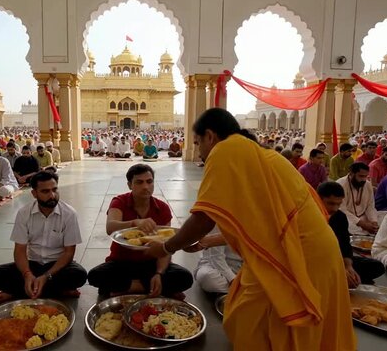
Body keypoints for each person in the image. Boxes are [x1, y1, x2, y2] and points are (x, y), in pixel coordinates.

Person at [144, 108, 356, 350]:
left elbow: (203, 219)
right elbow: (257, 222)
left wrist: (165, 247)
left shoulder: (226, 150)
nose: (200, 151)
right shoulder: (260, 154)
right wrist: (203, 241)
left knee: (249, 318)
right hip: (315, 249)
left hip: (300, 253)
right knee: (252, 313)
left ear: (210, 136)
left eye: (197, 142)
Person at [88, 164, 194, 298]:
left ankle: (129, 288)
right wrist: (134, 223)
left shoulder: (162, 208)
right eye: (139, 182)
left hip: (151, 264)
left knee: (185, 278)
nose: (145, 187)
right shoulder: (119, 201)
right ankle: (150, 288)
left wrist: (159, 273)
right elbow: (110, 227)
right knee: (95, 276)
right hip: (122, 263)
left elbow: (166, 246)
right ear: (129, 184)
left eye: (149, 182)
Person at [0, 171, 87, 300]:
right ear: (34, 194)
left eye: (55, 190)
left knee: (79, 275)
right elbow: (20, 250)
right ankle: (58, 291)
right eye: (45, 191)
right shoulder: (24, 213)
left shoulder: (69, 214)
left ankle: (19, 292)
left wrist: (46, 276)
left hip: (57, 267)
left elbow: (68, 253)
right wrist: (27, 274)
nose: (52, 195)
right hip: (32, 264)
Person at [317, 182, 385, 287]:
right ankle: (339, 278)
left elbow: (345, 245)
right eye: (331, 203)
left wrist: (348, 267)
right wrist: (338, 267)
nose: (335, 208)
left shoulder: (340, 217)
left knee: (377, 266)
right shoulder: (310, 216)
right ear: (318, 199)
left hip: (338, 259)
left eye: (338, 204)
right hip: (318, 261)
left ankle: (343, 278)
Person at [191, 227, 242, 294]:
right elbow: (216, 257)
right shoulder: (221, 220)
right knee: (207, 277)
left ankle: (238, 290)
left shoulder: (257, 222)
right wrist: (232, 279)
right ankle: (240, 290)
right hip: (215, 266)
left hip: (243, 269)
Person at [337, 162, 379, 235]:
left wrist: (373, 222)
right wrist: (362, 224)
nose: (363, 179)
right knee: (347, 226)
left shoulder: (367, 184)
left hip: (363, 216)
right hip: (347, 218)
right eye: (361, 176)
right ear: (351, 174)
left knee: (384, 216)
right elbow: (341, 210)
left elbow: (370, 206)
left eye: (365, 176)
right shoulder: (341, 185)